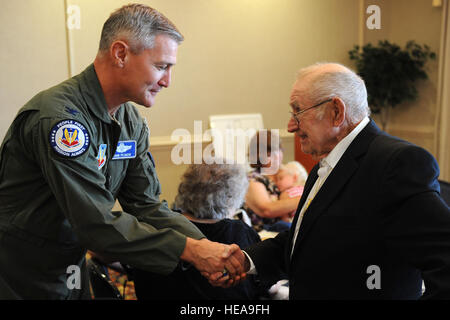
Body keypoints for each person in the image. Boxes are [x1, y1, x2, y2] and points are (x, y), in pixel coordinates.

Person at [0, 4, 243, 299]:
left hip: (70, 265)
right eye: (161, 66)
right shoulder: (61, 121)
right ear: (120, 53)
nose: (168, 81)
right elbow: (96, 222)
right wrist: (191, 251)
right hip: (20, 272)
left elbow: (147, 206)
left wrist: (210, 251)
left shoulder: (129, 121)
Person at [211, 62, 450, 299]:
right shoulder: (325, 164)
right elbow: (304, 239)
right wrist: (246, 260)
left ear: (336, 111)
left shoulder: (396, 163)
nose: (291, 125)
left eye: (298, 111)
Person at [133, 161, 271, 300]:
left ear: (186, 187)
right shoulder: (240, 232)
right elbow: (264, 283)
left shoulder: (157, 225)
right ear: (230, 199)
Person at [243, 130, 301, 232]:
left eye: (277, 150)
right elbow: (267, 209)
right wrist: (305, 199)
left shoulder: (287, 171)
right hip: (265, 234)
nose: (275, 156)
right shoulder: (254, 179)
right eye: (268, 153)